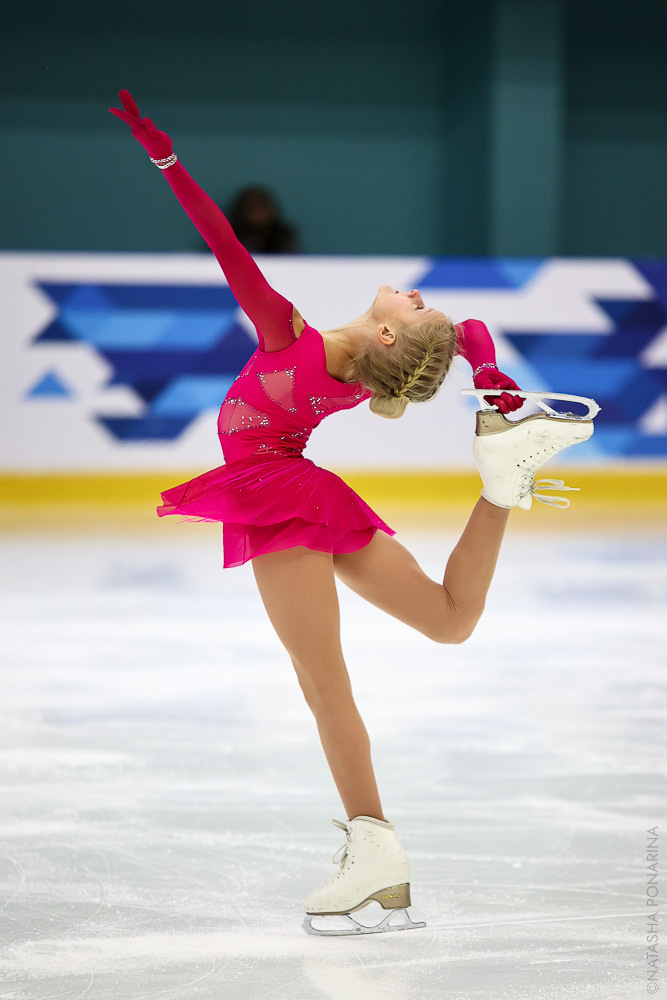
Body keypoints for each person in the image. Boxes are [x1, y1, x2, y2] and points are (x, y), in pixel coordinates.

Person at [109, 91, 597, 936]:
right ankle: (498, 478)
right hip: (304, 490)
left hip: (277, 497)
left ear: (382, 340)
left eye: (415, 310)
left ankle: (374, 852)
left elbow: (224, 244)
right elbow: (408, 350)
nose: (409, 293)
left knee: (321, 684)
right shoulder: (341, 369)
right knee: (448, 623)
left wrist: (167, 162)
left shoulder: (287, 337)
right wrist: (471, 352)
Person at [226, 185, 299, 253]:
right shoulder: (233, 237)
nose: (258, 213)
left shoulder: (283, 236)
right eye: (252, 208)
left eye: (261, 206)